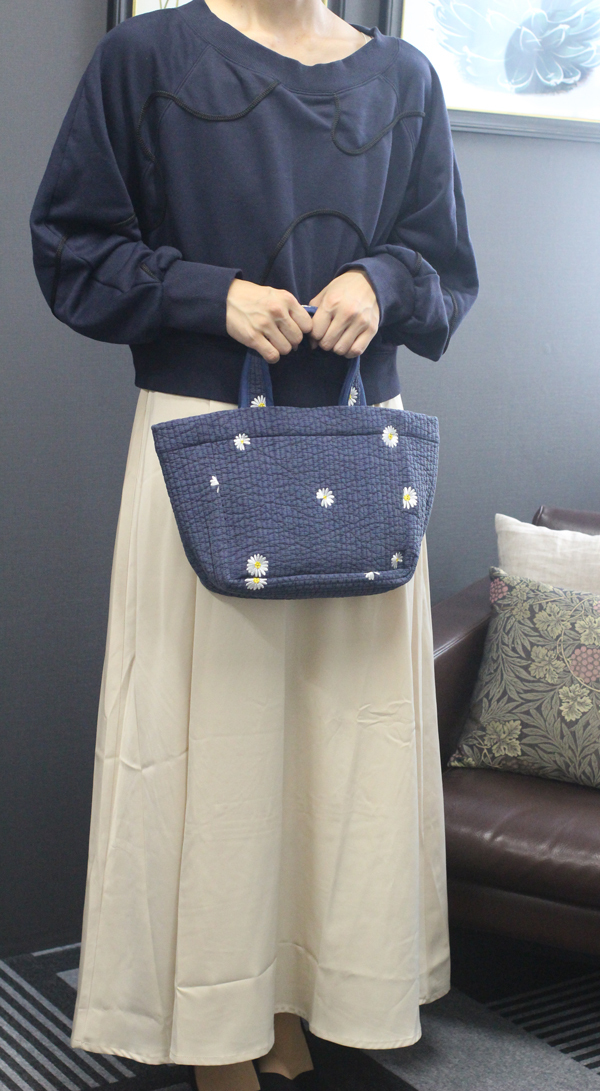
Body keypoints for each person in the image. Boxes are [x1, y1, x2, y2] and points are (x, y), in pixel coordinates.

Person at [30, 2, 478, 1090]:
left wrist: (380, 281)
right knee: (212, 746)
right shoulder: (145, 58)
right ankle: (213, 1023)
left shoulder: (404, 78)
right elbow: (73, 250)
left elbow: (442, 266)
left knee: (343, 745)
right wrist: (210, 293)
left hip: (358, 447)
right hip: (203, 436)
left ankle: (297, 998)